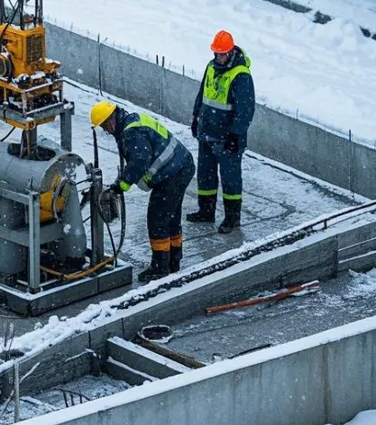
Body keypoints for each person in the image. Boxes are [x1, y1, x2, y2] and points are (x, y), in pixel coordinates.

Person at [90, 101, 195, 282]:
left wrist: (120, 186)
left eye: (104, 126)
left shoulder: (130, 132)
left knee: (157, 219)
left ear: (110, 120)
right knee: (171, 217)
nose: (106, 131)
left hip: (172, 173)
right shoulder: (133, 120)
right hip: (182, 165)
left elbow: (139, 162)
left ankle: (160, 267)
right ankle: (173, 260)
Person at [188, 30, 255, 234]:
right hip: (207, 132)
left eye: (222, 53)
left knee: (230, 179)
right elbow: (202, 95)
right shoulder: (211, 67)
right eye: (216, 53)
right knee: (205, 175)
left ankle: (232, 218)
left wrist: (235, 134)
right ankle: (206, 211)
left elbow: (245, 110)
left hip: (227, 138)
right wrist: (196, 117)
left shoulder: (241, 75)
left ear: (231, 52)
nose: (219, 57)